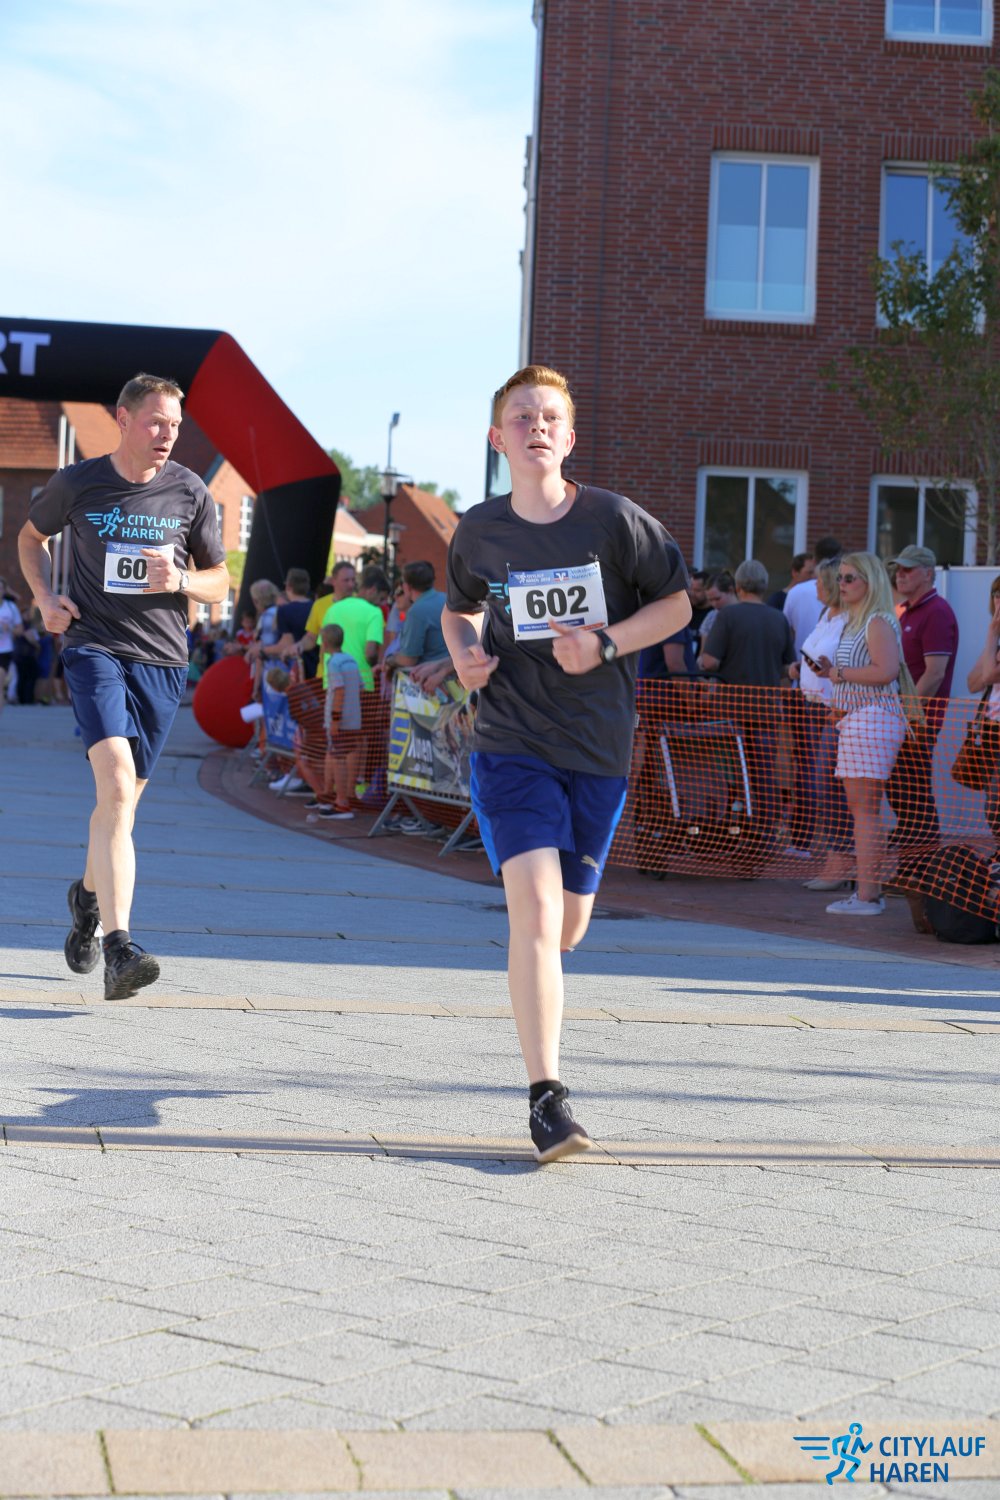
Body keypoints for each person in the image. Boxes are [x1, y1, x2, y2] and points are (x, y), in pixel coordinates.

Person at [442, 364, 691, 1163]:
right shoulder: (479, 530)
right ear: (498, 438)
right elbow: (458, 609)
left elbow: (679, 604)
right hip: (510, 744)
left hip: (597, 750)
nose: (537, 427)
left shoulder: (615, 521)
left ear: (570, 436)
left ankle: (545, 1043)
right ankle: (547, 1099)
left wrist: (607, 643)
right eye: (522, 417)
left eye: (550, 416)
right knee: (537, 914)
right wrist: (467, 653)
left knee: (568, 927)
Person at [18, 372, 229, 999]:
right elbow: (31, 538)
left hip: (162, 661)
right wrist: (45, 598)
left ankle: (86, 898)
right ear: (123, 419)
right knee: (113, 785)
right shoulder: (79, 482)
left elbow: (220, 580)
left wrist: (182, 579)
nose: (167, 434)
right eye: (156, 421)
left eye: (175, 425)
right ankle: (120, 948)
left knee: (121, 810)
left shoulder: (190, 491)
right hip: (94, 648)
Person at [814, 553, 909, 917]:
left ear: (870, 582)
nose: (841, 584)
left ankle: (868, 895)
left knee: (865, 811)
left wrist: (840, 674)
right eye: (840, 577)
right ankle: (868, 893)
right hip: (858, 720)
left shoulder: (877, 621)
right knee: (862, 811)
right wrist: (834, 674)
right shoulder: (859, 621)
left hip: (871, 721)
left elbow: (885, 671)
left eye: (850, 578)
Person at [885, 543, 958, 849]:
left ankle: (920, 865)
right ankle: (912, 863)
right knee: (902, 793)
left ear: (928, 574)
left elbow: (935, 673)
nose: (900, 575)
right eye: (898, 570)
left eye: (908, 570)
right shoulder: (908, 610)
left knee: (913, 795)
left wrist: (906, 714)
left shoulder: (936, 612)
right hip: (907, 718)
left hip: (918, 722)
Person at [786, 557, 851, 879]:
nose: (816, 590)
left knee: (828, 783)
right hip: (812, 706)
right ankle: (837, 857)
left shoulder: (851, 620)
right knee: (820, 782)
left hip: (834, 710)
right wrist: (800, 668)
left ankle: (842, 858)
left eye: (820, 583)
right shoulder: (827, 615)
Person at [965, 573, 1000, 840]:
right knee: (993, 802)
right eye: (996, 594)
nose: (999, 600)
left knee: (995, 804)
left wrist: (991, 633)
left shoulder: (994, 637)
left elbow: (988, 675)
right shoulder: (996, 642)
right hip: (992, 729)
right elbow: (973, 682)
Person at [784, 535, 843, 654]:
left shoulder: (846, 616)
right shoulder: (826, 614)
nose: (815, 583)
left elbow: (787, 632)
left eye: (819, 580)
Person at [392, 561, 448, 670]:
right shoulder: (446, 599)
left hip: (429, 675)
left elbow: (408, 660)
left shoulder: (416, 612)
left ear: (407, 586)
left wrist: (391, 660)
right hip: (453, 673)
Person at [0, 579, 22, 714]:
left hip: (4, 651)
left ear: (4, 590)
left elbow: (20, 630)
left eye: (0, 588)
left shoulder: (11, 608)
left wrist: (9, 628)